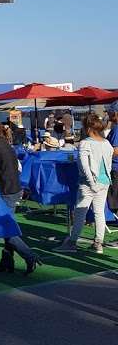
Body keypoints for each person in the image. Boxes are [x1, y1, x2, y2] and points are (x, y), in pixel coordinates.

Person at [0, 120, 40, 274]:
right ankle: (7, 262)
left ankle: (30, 256)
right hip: (14, 189)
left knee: (6, 230)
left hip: (4, 191)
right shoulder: (7, 145)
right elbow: (18, 167)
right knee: (8, 227)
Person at [57, 113, 114, 255]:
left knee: (80, 212)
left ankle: (72, 242)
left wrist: (90, 181)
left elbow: (83, 166)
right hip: (104, 181)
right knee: (99, 212)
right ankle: (98, 243)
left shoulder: (85, 143)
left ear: (87, 127)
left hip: (89, 183)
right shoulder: (107, 143)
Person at [106, 103, 118, 248]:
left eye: (109, 113)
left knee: (115, 203)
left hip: (116, 169)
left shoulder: (116, 129)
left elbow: (115, 150)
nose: (108, 115)